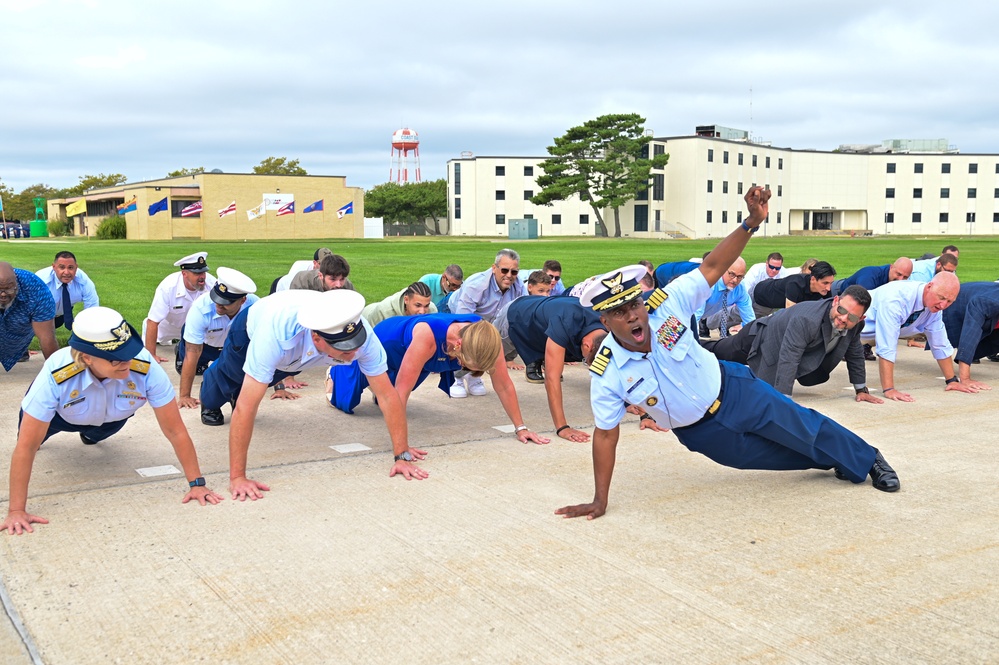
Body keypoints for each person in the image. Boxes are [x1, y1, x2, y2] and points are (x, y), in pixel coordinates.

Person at [555, 187, 899, 522]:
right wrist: (600, 499)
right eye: (619, 312)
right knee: (775, 456)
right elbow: (605, 433)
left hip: (735, 391)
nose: (632, 315)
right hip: (701, 433)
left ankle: (869, 458)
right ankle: (834, 458)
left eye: (634, 304)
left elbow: (713, 267)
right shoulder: (608, 369)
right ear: (604, 320)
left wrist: (750, 223)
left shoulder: (668, 304)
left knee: (802, 425)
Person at [2, 306, 222, 535]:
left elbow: (175, 430)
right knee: (32, 442)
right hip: (59, 417)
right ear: (86, 357)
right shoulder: (57, 374)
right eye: (114, 359)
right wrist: (16, 510)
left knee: (93, 437)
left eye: (128, 351)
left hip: (110, 420)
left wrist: (197, 484)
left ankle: (90, 435)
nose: (126, 361)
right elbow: (25, 447)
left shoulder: (146, 367)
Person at [199, 289, 423, 498]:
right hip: (250, 331)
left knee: (263, 381)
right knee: (229, 378)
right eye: (345, 348)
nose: (354, 352)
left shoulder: (360, 336)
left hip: (294, 355)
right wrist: (237, 478)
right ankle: (210, 387)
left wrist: (401, 454)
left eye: (356, 343)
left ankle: (249, 382)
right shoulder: (275, 335)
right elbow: (246, 408)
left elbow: (386, 395)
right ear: (317, 338)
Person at [326, 315, 548, 445]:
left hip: (425, 359)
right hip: (390, 345)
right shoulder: (427, 338)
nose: (467, 370)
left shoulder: (487, 340)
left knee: (388, 400)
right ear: (458, 347)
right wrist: (401, 449)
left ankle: (381, 387)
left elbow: (504, 385)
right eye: (468, 365)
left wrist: (521, 427)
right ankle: (333, 375)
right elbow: (401, 393)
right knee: (346, 400)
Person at [703, 285, 882, 403]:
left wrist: (861, 389)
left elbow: (855, 353)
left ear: (861, 318)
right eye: (841, 310)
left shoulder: (856, 326)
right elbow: (790, 356)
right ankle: (693, 345)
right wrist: (785, 399)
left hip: (782, 340)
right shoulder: (807, 319)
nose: (843, 318)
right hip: (757, 336)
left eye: (851, 317)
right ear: (835, 301)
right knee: (720, 352)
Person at [859, 273, 976, 401]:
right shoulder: (896, 298)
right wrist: (889, 389)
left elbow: (940, 342)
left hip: (869, 331)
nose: (943, 305)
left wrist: (952, 381)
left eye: (949, 301)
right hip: (849, 323)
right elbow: (887, 345)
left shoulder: (934, 307)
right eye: (941, 298)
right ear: (929, 287)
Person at [504, 295, 607, 441]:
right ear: (587, 346)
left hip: (545, 315)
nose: (585, 362)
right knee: (479, 358)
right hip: (517, 315)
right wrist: (562, 427)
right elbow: (552, 379)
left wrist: (633, 404)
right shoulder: (564, 323)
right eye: (587, 361)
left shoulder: (609, 325)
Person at [176, 267, 259, 424]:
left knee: (238, 371)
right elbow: (193, 352)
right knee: (204, 367)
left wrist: (280, 386)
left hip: (235, 348)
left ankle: (237, 397)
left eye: (225, 303)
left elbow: (266, 346)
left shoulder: (255, 306)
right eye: (217, 299)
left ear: (243, 300)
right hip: (206, 347)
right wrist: (184, 395)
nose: (218, 306)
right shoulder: (200, 308)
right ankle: (210, 403)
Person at [448, 249, 526, 396]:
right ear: (494, 268)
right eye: (504, 270)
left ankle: (473, 377)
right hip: (456, 311)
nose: (509, 275)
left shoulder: (519, 288)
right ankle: (456, 378)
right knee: (458, 337)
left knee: (487, 342)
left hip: (488, 319)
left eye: (514, 272)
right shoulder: (476, 285)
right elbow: (462, 321)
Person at [143, 252, 216, 363]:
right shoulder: (168, 287)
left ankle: (182, 347)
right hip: (170, 327)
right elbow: (153, 321)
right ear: (184, 274)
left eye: (204, 272)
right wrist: (151, 355)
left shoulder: (212, 285)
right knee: (151, 340)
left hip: (200, 328)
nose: (202, 277)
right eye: (197, 273)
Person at [939, 280, 999, 389]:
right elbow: (971, 331)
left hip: (978, 303)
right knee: (907, 326)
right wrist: (965, 379)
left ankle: (970, 354)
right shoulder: (990, 302)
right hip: (953, 305)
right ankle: (966, 358)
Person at [0, 262, 58, 371]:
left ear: (16, 283)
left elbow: (47, 337)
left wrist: (59, 374)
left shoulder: (36, 289)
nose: (3, 294)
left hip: (20, 333)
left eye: (9, 288)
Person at [34, 251, 100, 330]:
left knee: (57, 323)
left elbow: (92, 310)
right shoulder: (40, 279)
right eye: (62, 267)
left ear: (76, 268)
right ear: (54, 267)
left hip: (61, 315)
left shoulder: (84, 282)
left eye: (70, 268)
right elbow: (28, 305)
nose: (66, 272)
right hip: (40, 315)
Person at [696, 257, 754, 338]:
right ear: (723, 270)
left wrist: (752, 339)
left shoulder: (740, 289)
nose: (735, 280)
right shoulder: (708, 284)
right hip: (679, 312)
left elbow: (749, 318)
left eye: (740, 277)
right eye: (732, 274)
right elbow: (695, 316)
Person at [752, 260, 836, 315]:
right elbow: (790, 315)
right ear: (813, 279)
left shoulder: (825, 289)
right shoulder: (795, 284)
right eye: (825, 283)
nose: (828, 288)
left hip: (778, 302)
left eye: (831, 283)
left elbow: (830, 309)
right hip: (760, 296)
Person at [361, 281, 437, 327]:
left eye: (426, 306)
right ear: (406, 300)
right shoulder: (383, 312)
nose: (422, 311)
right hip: (367, 317)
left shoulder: (432, 310)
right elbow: (372, 343)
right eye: (418, 305)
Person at [830, 257, 912, 297]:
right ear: (891, 267)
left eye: (905, 277)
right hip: (837, 290)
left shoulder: (897, 280)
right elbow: (862, 302)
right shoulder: (870, 277)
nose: (901, 280)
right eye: (898, 274)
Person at [289, 253, 353, 292]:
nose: (338, 285)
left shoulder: (346, 285)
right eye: (333, 279)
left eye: (342, 279)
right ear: (320, 276)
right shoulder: (302, 282)